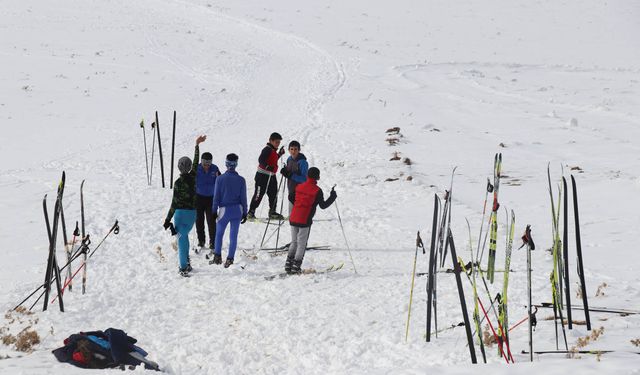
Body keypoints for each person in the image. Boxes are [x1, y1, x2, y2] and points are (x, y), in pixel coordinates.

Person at [164, 135, 206, 277]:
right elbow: (195, 162)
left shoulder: (177, 183)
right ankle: (187, 261)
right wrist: (196, 145)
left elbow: (174, 203)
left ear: (178, 167)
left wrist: (167, 219)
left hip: (180, 214)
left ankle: (183, 267)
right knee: (185, 237)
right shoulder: (193, 176)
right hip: (192, 214)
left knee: (181, 240)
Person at [286, 167, 337, 274]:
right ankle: (296, 266)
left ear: (307, 176)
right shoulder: (317, 190)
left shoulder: (299, 186)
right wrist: (333, 197)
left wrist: (298, 204)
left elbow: (290, 196)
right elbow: (323, 205)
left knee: (294, 242)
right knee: (301, 244)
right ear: (318, 177)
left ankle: (288, 265)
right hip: (305, 219)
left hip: (294, 216)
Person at [210, 153, 248, 268]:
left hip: (224, 210)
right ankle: (230, 259)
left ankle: (217, 257)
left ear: (226, 164)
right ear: (236, 164)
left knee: (219, 234)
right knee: (233, 236)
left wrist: (213, 211)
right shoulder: (241, 180)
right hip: (237, 210)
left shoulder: (220, 179)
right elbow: (244, 198)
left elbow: (216, 197)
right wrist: (245, 212)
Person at [247, 132, 285, 220]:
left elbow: (272, 159)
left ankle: (272, 212)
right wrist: (268, 167)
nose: (278, 144)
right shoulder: (267, 149)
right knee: (259, 194)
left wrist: (279, 154)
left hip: (271, 176)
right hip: (262, 176)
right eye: (276, 142)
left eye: (279, 142)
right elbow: (261, 160)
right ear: (270, 141)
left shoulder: (273, 150)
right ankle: (251, 212)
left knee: (273, 194)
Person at [195, 152, 221, 251]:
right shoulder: (196, 168)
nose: (206, 166)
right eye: (205, 164)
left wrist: (219, 177)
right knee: (199, 221)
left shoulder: (215, 168)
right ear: (201, 162)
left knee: (211, 221)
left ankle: (213, 242)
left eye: (208, 164)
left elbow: (220, 182)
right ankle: (201, 240)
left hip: (211, 199)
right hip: (199, 198)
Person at [279, 140, 308, 214]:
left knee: (298, 215)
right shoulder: (289, 159)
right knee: (291, 214)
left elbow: (304, 179)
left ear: (299, 150)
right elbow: (289, 172)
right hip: (291, 189)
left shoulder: (303, 162)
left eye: (295, 149)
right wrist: (285, 171)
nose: (293, 151)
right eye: (291, 149)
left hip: (300, 191)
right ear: (288, 150)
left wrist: (290, 175)